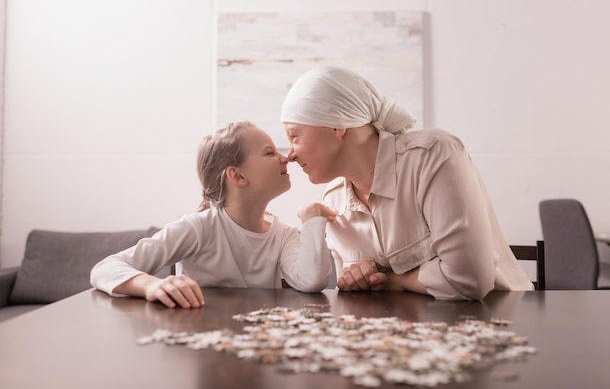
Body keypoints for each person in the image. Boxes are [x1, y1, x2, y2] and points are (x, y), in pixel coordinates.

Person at [280, 66, 534, 301]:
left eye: (294, 136)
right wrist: (356, 283)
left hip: (500, 324)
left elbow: (470, 281)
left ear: (337, 125)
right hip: (407, 339)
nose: (289, 154)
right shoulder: (334, 201)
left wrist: (395, 280)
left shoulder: (433, 156)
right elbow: (357, 301)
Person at [90, 121, 336, 308]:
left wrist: (313, 219)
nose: (286, 158)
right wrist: (152, 284)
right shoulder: (199, 228)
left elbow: (311, 281)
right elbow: (105, 268)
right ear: (238, 176)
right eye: (270, 153)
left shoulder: (283, 235)